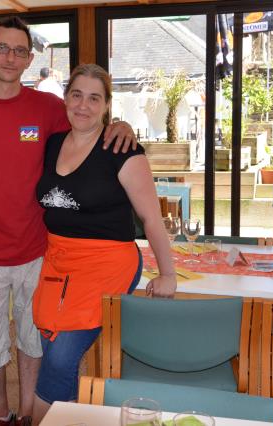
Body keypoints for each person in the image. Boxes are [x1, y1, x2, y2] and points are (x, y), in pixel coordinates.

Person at [0, 17, 136, 426]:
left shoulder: (47, 109)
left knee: (35, 340)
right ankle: (2, 414)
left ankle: (28, 414)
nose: (10, 57)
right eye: (2, 48)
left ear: (29, 58)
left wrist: (121, 124)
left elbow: (87, 123)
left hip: (42, 253)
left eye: (20, 50)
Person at [31, 63, 177, 424]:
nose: (83, 105)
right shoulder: (51, 145)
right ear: (65, 98)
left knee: (62, 356)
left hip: (107, 263)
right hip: (58, 261)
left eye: (94, 98)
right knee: (51, 345)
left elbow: (151, 219)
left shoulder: (122, 150)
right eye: (77, 95)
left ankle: (38, 419)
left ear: (107, 105)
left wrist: (168, 273)